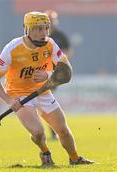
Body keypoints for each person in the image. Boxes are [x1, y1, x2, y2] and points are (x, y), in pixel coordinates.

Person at [0, 11, 94, 167]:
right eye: (38, 28)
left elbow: (66, 70)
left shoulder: (50, 44)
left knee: (62, 130)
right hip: (19, 95)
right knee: (38, 133)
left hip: (43, 91)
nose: (43, 33)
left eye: (45, 28)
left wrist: (48, 74)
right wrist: (9, 100)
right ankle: (45, 153)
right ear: (27, 29)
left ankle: (75, 159)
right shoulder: (12, 49)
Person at [45, 10, 72, 140]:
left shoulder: (60, 36)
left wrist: (61, 65)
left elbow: (68, 52)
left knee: (48, 99)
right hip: (39, 71)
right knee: (46, 101)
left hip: (54, 73)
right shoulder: (39, 35)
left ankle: (53, 131)